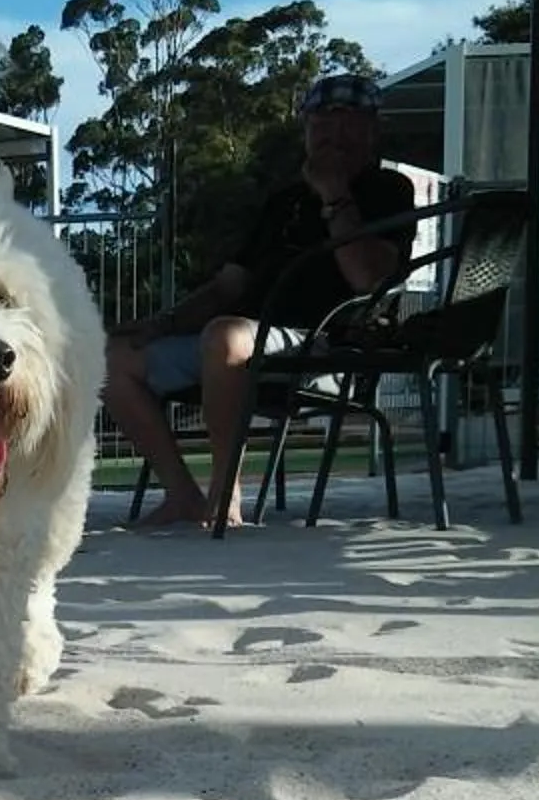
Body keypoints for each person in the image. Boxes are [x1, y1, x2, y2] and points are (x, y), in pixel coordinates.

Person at [104, 72, 417, 529]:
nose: (334, 135)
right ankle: (181, 494)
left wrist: (334, 194)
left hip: (327, 345)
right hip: (245, 337)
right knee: (113, 358)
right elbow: (228, 286)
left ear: (372, 130)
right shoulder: (283, 201)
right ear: (306, 130)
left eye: (348, 123)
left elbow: (366, 278)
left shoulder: (388, 191)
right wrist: (162, 323)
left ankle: (224, 493)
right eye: (322, 124)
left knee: (225, 337)